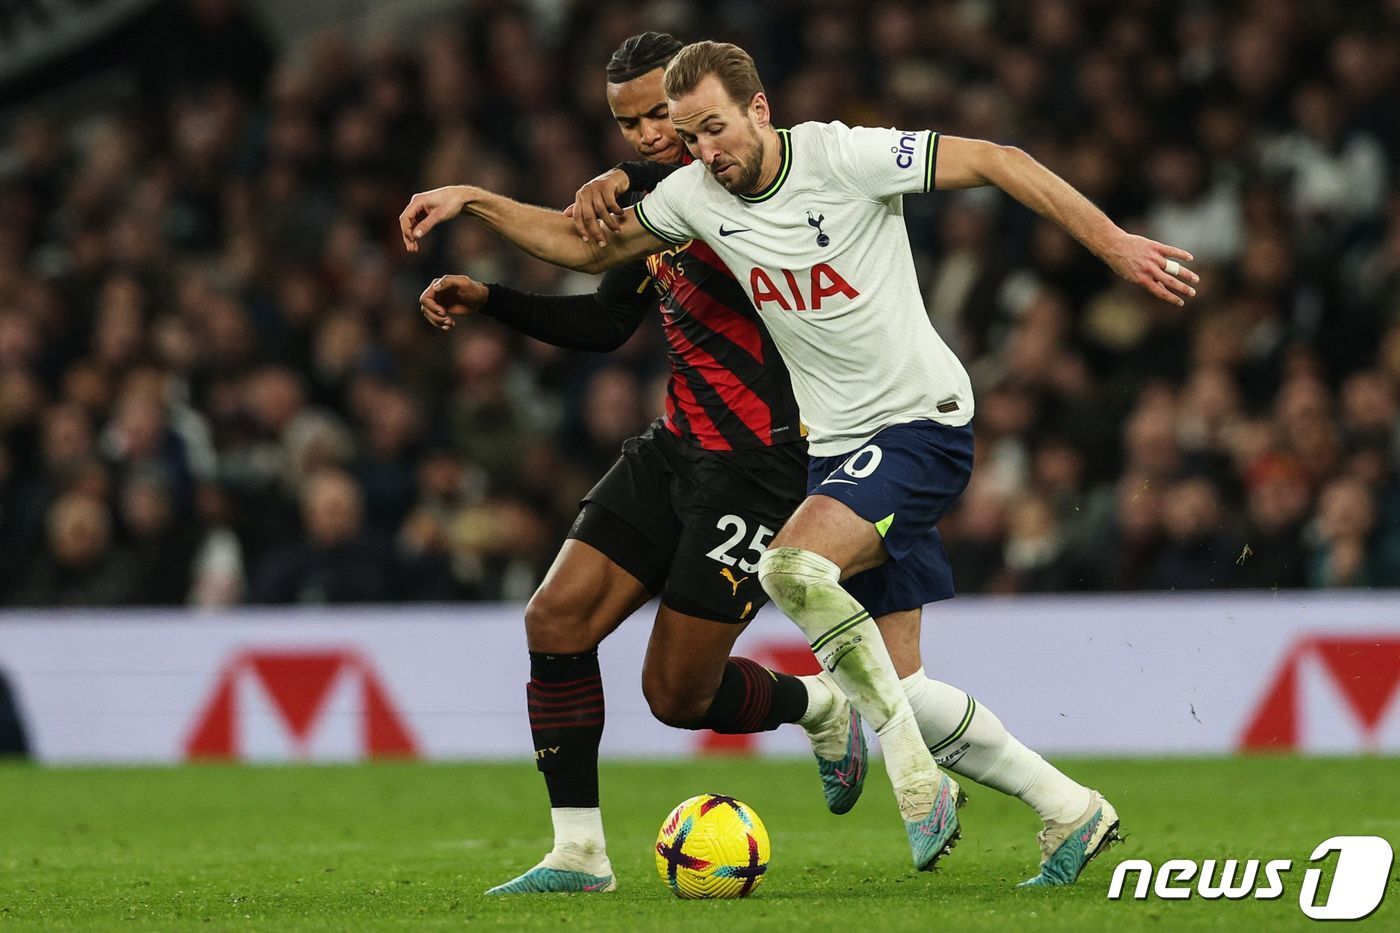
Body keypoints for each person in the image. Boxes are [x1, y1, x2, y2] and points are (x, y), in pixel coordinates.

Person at [402, 40, 1201, 887]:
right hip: (832, 450)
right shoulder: (693, 196)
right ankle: (1073, 809)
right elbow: (588, 251)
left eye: (710, 127)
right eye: (683, 133)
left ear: (758, 108)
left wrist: (1114, 246)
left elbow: (1001, 159)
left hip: (914, 427)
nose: (702, 149)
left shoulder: (843, 155)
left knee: (792, 567)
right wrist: (472, 201)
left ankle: (912, 777)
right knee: (902, 683)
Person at [416, 33, 867, 896]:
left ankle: (818, 704)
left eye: (663, 112)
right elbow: (605, 322)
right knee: (554, 620)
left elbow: (689, 185)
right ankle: (579, 853)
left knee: (677, 696)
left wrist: (626, 182)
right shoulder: (659, 205)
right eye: (629, 124)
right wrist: (491, 297)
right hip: (674, 450)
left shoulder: (749, 184)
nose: (650, 133)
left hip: (759, 468)